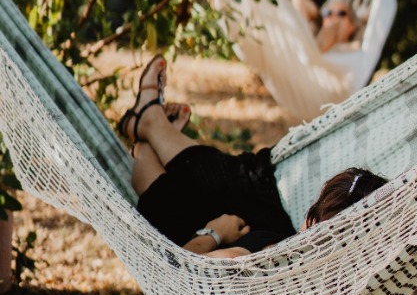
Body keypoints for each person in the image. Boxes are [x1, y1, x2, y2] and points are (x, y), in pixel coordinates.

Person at [120, 55, 386, 259]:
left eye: (315, 206)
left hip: (196, 225)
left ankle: (151, 125)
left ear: (316, 220)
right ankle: (155, 131)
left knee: (237, 180)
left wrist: (214, 232)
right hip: (248, 218)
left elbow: (184, 271)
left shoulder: (269, 255)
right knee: (240, 180)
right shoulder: (314, 263)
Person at [290, 0, 359, 53]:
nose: (333, 16)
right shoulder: (306, 39)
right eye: (328, 13)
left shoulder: (354, 49)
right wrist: (317, 16)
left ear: (352, 26)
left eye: (341, 13)